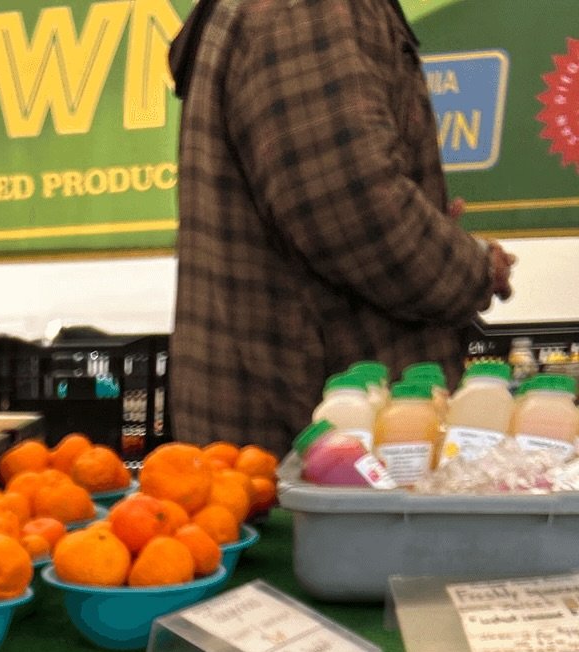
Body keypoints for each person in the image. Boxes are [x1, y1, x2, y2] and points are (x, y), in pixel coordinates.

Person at [166, 0, 514, 454]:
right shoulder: (307, 10)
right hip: (319, 453)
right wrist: (475, 269)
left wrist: (429, 224)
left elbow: (335, 195)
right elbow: (354, 215)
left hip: (307, 442)